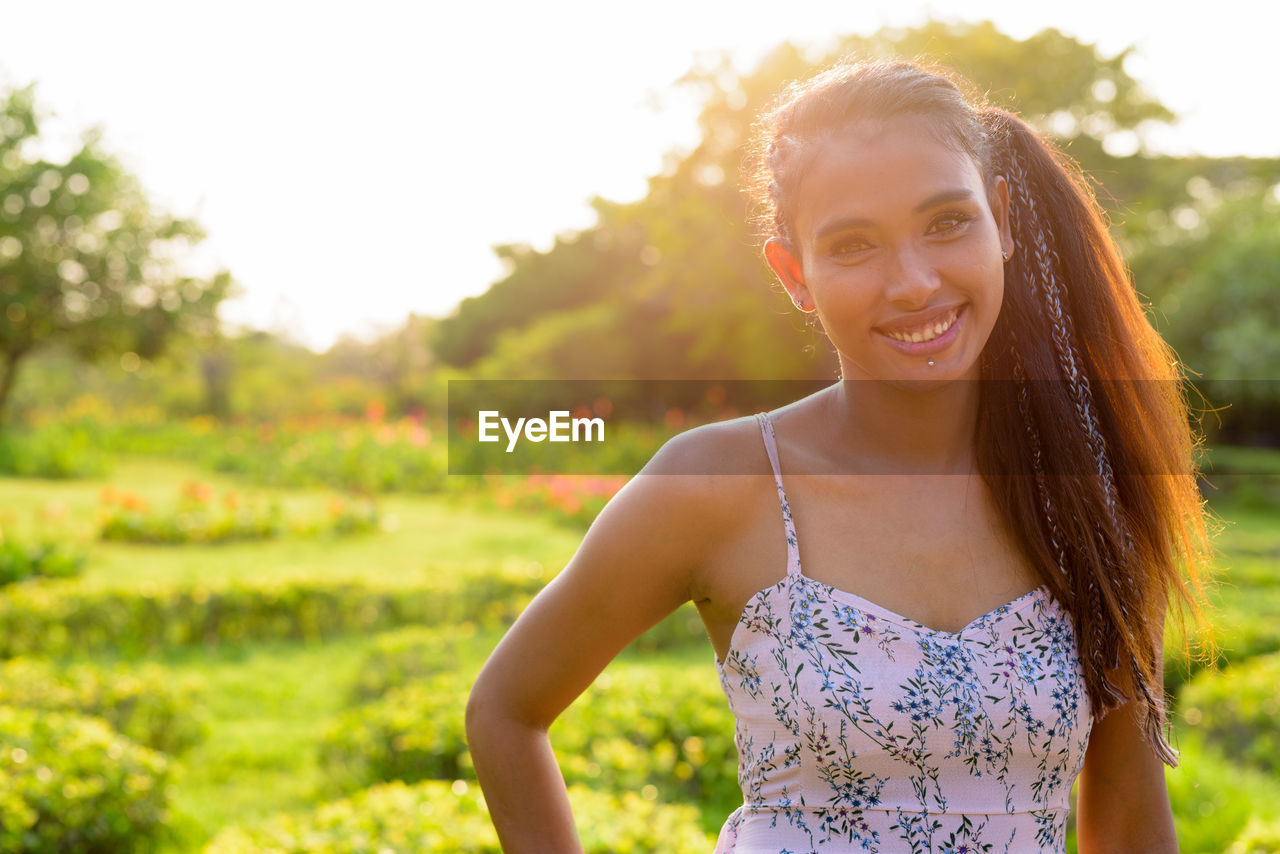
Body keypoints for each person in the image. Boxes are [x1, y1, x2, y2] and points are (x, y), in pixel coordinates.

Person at [466, 58, 1209, 853]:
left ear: (1002, 223)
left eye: (947, 223)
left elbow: (1130, 821)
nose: (915, 283)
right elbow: (506, 711)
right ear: (794, 273)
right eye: (855, 245)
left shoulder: (1087, 503)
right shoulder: (719, 484)